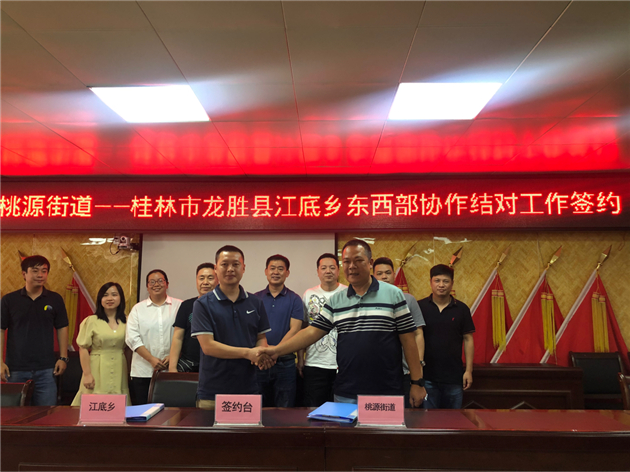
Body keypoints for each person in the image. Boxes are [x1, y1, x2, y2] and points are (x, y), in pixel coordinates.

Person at [260, 239, 426, 407]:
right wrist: (276, 351)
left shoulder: (393, 294)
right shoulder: (337, 300)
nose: (351, 266)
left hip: (387, 390)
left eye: (358, 260)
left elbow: (408, 341)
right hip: (347, 391)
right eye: (346, 262)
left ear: (370, 263)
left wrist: (417, 382)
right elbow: (311, 332)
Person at [191, 245, 274, 410]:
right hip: (213, 393)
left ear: (243, 268)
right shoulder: (202, 304)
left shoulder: (255, 302)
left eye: (235, 264)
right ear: (216, 268)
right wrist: (248, 353)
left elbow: (260, 338)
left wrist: (261, 354)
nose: (230, 269)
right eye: (224, 264)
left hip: (248, 390)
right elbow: (208, 347)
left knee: (248, 428)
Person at [1, 255, 69, 406]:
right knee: (13, 415)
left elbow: (62, 327)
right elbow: (1, 330)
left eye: (44, 271)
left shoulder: (55, 299)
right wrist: (0, 362)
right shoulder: (9, 300)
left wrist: (63, 357)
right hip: (15, 369)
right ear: (24, 274)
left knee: (46, 414)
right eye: (35, 271)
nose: (40, 275)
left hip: (46, 369)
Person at [418, 264, 475, 409]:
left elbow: (468, 339)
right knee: (428, 420)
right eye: (437, 281)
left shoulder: (462, 309)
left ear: (452, 283)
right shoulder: (420, 307)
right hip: (427, 377)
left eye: (445, 281)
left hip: (454, 377)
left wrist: (468, 371)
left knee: (453, 420)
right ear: (430, 282)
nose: (441, 285)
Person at [373, 257, 426, 407]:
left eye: (388, 273)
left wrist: (419, 364)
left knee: (405, 413)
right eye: (379, 273)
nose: (384, 277)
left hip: (404, 370)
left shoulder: (408, 300)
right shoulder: (367, 301)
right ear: (373, 276)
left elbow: (418, 334)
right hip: (374, 370)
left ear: (394, 275)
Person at [253, 255, 303, 407]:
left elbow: (295, 329)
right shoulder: (255, 299)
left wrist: (276, 351)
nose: (276, 272)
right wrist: (265, 352)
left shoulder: (295, 299)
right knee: (257, 408)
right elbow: (251, 329)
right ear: (266, 271)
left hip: (285, 363)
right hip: (259, 361)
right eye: (272, 268)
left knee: (285, 409)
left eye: (280, 269)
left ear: (287, 273)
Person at [126, 269, 182, 405]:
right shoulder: (138, 309)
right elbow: (132, 338)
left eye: (160, 281)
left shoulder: (180, 305)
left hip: (172, 369)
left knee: (172, 411)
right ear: (147, 286)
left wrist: (173, 356)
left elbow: (185, 336)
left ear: (167, 284)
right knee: (144, 411)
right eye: (152, 282)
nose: (156, 284)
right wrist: (151, 359)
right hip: (143, 371)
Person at [72, 282, 130, 406]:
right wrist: (87, 374)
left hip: (120, 367)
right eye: (105, 295)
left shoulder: (128, 320)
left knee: (118, 405)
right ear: (100, 299)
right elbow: (83, 348)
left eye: (114, 294)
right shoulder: (91, 321)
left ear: (121, 298)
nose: (110, 298)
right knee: (94, 405)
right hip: (96, 367)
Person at [300, 253, 346, 407]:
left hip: (342, 364)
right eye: (324, 268)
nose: (328, 271)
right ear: (318, 272)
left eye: (332, 267)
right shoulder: (308, 294)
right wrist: (301, 359)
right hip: (314, 363)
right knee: (313, 408)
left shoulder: (348, 293)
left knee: (341, 409)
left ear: (338, 271)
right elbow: (303, 328)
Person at [169, 263, 217, 373]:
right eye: (201, 278)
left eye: (210, 278)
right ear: (196, 280)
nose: (205, 282)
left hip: (216, 363)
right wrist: (172, 368)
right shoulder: (187, 305)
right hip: (188, 363)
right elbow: (178, 337)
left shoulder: (224, 306)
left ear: (218, 280)